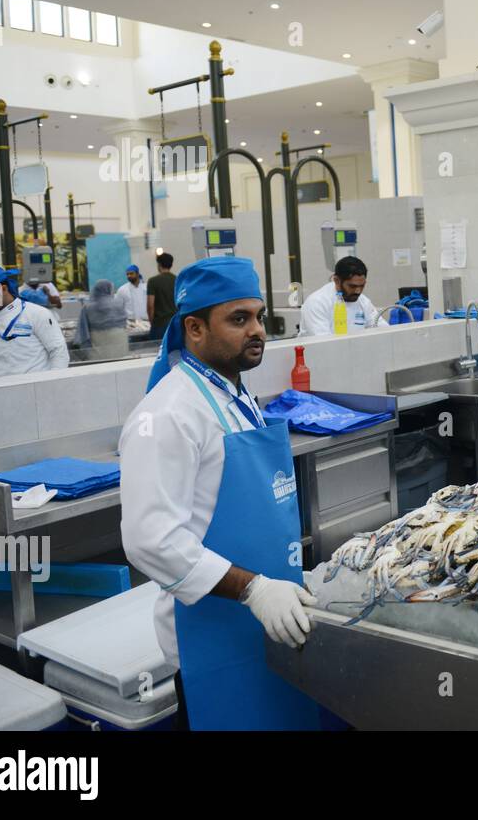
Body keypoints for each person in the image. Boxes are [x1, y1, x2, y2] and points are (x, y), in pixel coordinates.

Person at [119, 256, 319, 730]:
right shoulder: (167, 415)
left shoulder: (235, 394)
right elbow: (151, 540)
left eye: (258, 317)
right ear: (194, 328)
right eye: (238, 319)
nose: (257, 331)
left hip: (269, 622)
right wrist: (254, 589)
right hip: (212, 640)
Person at [0, 263, 69, 377]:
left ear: (3, 289)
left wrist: (52, 385)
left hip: (36, 390)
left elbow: (59, 353)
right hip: (2, 390)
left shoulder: (36, 313)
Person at [297, 256, 379, 336]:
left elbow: (382, 330)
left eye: (362, 285)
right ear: (336, 281)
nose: (358, 291)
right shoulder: (317, 303)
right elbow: (323, 343)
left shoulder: (363, 301)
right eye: (352, 286)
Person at [75, 279, 129, 358]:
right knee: (120, 362)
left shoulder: (88, 307)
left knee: (103, 364)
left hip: (100, 342)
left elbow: (83, 329)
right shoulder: (119, 303)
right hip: (120, 339)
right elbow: (124, 323)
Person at [147, 253, 177, 341]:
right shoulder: (177, 279)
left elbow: (150, 306)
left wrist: (152, 323)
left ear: (159, 265)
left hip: (159, 326)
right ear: (171, 265)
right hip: (175, 325)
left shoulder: (153, 281)